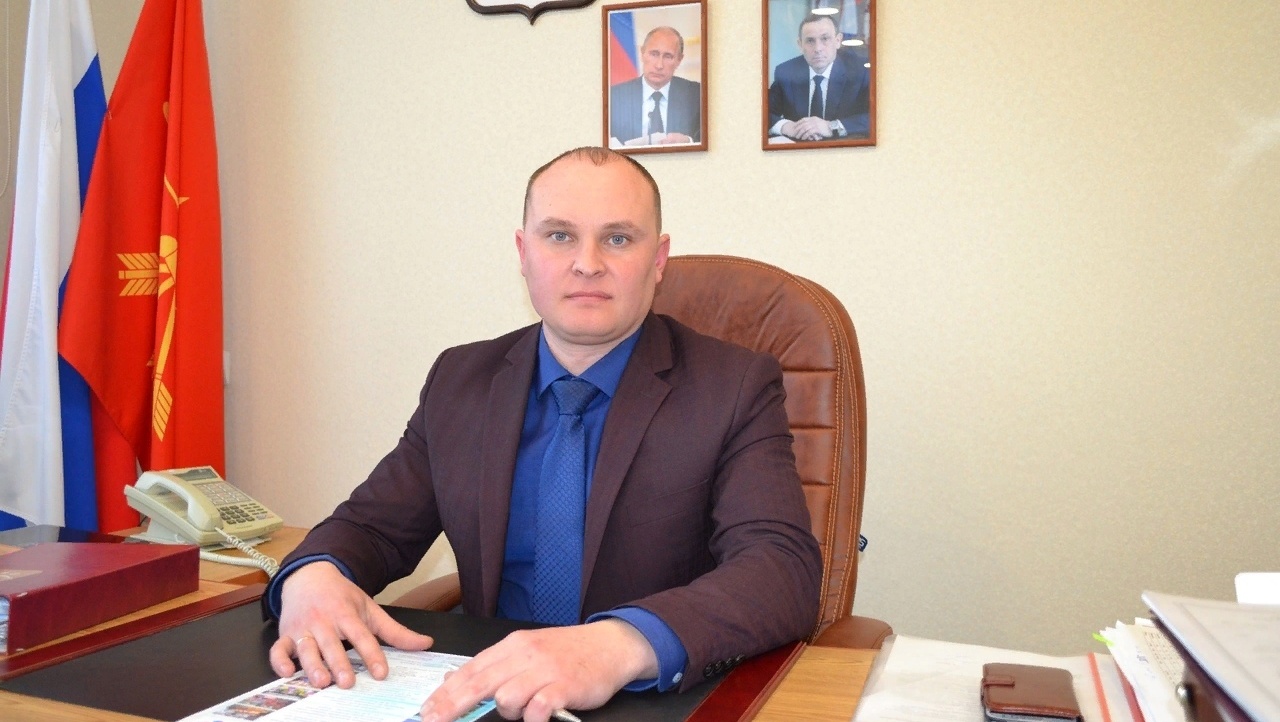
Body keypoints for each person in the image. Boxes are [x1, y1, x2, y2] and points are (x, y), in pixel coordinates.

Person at [263, 146, 821, 722]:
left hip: (648, 702)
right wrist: (312, 576)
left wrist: (619, 645)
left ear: (658, 260)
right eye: (559, 236)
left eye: (618, 238)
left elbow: (782, 569)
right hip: (490, 699)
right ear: (523, 253)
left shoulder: (733, 386)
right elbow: (370, 527)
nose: (587, 263)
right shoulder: (461, 380)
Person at [767, 13, 870, 142]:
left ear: (838, 41)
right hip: (799, 150)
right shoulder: (786, 72)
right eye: (810, 41)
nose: (818, 48)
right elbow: (763, 113)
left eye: (825, 39)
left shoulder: (861, 71)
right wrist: (787, 127)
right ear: (800, 45)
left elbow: (876, 116)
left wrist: (832, 126)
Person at [609, 27, 701, 147]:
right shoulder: (614, 97)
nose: (659, 65)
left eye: (668, 56)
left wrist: (688, 141)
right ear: (642, 53)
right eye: (654, 54)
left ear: (679, 60)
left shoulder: (697, 95)